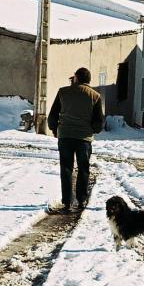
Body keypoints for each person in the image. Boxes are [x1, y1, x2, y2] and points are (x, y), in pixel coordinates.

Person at [47, 67, 105, 213]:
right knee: (83, 169)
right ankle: (81, 200)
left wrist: (54, 129)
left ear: (76, 78)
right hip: (84, 138)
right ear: (89, 80)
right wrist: (92, 130)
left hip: (65, 135)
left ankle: (66, 202)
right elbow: (98, 122)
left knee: (66, 168)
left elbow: (53, 114)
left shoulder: (63, 92)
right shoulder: (95, 96)